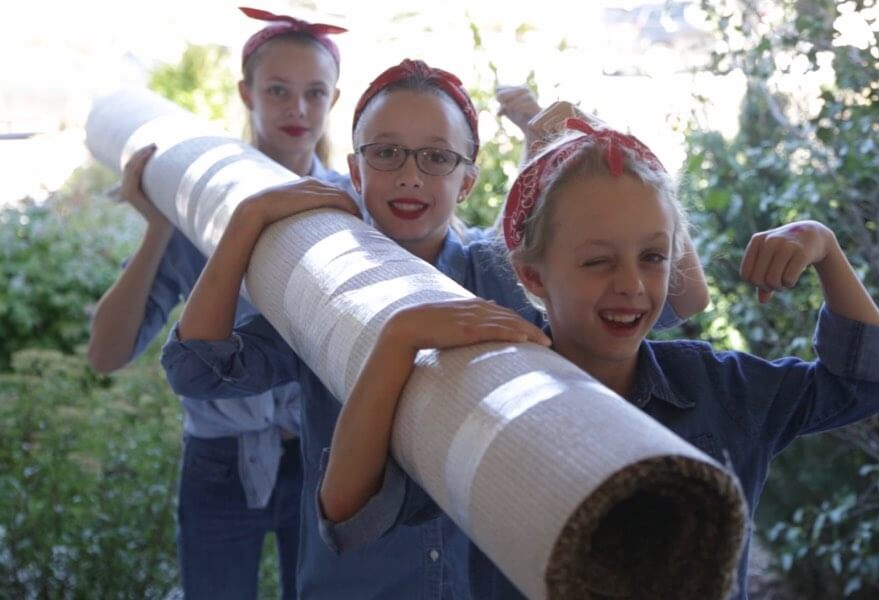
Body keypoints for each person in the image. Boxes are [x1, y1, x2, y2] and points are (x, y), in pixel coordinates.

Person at [160, 59, 710, 598]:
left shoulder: (499, 270)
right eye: (387, 153)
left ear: (467, 180)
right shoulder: (324, 283)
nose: (410, 175)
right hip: (360, 584)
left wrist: (606, 153)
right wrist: (245, 222)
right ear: (355, 170)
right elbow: (199, 369)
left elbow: (680, 299)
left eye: (436, 157)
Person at [318, 118, 879, 598]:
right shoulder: (486, 390)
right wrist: (398, 340)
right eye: (598, 261)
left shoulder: (718, 391)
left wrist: (825, 247)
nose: (631, 284)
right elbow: (349, 512)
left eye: (653, 257)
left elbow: (867, 384)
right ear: (532, 274)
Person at [86, 8, 346, 598]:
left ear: (334, 99)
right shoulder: (200, 206)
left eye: (314, 93)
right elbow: (105, 354)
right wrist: (158, 225)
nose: (297, 110)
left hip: (322, 460)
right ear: (245, 92)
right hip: (220, 461)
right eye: (277, 90)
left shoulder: (350, 208)